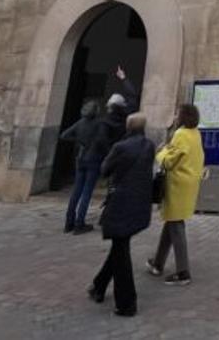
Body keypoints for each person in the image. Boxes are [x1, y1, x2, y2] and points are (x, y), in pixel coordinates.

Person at [88, 112, 155, 317]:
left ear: (128, 127)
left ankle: (127, 303)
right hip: (140, 205)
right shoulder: (150, 146)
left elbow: (105, 169)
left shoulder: (120, 147)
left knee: (121, 252)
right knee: (120, 245)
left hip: (121, 204)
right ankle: (98, 286)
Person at [146, 104, 205, 286]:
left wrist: (161, 151)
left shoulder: (181, 134)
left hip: (177, 185)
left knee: (176, 225)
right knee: (172, 222)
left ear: (183, 116)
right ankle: (158, 262)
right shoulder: (195, 133)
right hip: (189, 183)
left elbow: (169, 161)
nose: (175, 116)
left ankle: (183, 271)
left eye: (177, 113)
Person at [60, 99, 103, 234]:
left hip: (81, 158)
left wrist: (79, 141)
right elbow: (102, 140)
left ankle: (69, 222)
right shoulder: (98, 124)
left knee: (76, 191)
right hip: (93, 159)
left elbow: (64, 135)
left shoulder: (80, 123)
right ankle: (79, 223)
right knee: (87, 192)